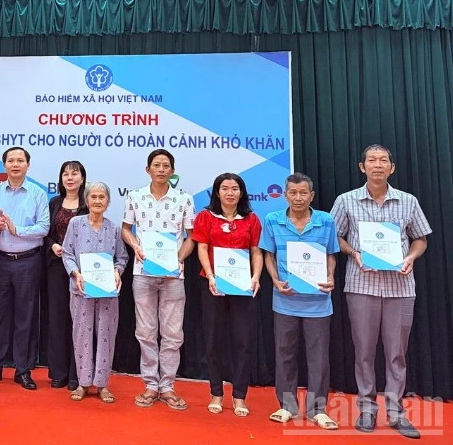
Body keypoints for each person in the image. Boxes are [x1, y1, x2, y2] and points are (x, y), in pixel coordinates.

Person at [331, 144, 431, 439]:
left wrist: (411, 257)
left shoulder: (408, 201)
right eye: (371, 160)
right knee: (363, 351)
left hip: (400, 288)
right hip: (362, 285)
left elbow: (420, 239)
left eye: (383, 160)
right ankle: (366, 409)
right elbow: (333, 236)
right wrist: (353, 252)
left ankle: (396, 413)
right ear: (362, 167)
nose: (378, 165)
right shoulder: (346, 200)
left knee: (396, 353)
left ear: (392, 167)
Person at [259, 173, 339, 429]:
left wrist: (330, 276)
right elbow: (268, 255)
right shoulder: (272, 220)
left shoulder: (325, 221)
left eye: (303, 192)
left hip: (318, 302)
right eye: (292, 192)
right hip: (285, 300)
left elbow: (331, 255)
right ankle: (287, 407)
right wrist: (274, 280)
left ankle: (318, 409)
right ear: (285, 195)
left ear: (311, 195)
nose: (298, 197)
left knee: (319, 358)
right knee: (284, 355)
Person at [122, 149, 195, 410]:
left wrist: (179, 258)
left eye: (166, 165)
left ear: (172, 171)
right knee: (145, 331)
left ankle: (168, 386)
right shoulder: (135, 197)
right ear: (148, 169)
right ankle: (151, 385)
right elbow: (126, 229)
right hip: (143, 273)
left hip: (174, 274)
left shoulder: (184, 199)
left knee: (173, 333)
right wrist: (135, 247)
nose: (161, 169)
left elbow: (192, 237)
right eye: (156, 165)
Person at [0, 147, 50, 390]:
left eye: (20, 160)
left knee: (25, 317)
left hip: (28, 261)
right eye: (11, 160)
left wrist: (19, 231)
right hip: (0, 260)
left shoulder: (38, 194)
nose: (15, 164)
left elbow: (44, 228)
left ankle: (23, 370)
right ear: (4, 165)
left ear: (28, 165)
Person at [192, 172, 263, 417]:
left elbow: (256, 251)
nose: (230, 193)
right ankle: (216, 393)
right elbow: (201, 248)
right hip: (212, 285)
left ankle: (240, 396)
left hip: (243, 286)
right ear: (217, 192)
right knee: (213, 340)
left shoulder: (251, 219)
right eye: (225, 188)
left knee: (242, 342)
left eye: (234, 188)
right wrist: (210, 275)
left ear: (241, 193)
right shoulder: (205, 217)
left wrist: (255, 276)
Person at [61, 182, 128, 403]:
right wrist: (76, 273)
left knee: (106, 335)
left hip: (108, 292)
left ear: (108, 202)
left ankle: (102, 384)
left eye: (102, 197)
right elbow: (67, 253)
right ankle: (83, 383)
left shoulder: (114, 228)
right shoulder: (76, 224)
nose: (97, 201)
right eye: (93, 197)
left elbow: (122, 257)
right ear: (86, 200)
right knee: (81, 334)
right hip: (81, 289)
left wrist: (118, 272)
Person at [45, 161, 88, 390]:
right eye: (65, 173)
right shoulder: (53, 203)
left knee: (80, 320)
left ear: (83, 178)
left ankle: (77, 373)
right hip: (56, 267)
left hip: (82, 269)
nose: (70, 177)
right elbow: (47, 233)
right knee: (58, 318)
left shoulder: (88, 204)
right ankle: (59, 372)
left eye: (75, 173)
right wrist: (52, 245)